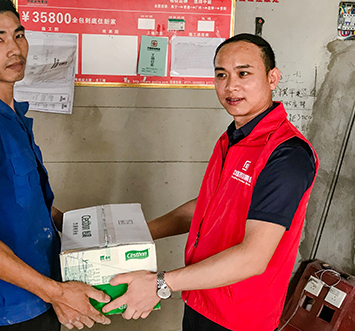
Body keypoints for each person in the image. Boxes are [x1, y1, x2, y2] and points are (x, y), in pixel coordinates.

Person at [101, 33, 318, 331]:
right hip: (201, 297)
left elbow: (253, 258)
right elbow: (207, 208)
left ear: (272, 78)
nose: (231, 86)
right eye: (221, 75)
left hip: (239, 316)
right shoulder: (233, 139)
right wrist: (136, 235)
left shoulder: (287, 154)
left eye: (243, 73)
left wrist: (161, 283)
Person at [0, 0, 110, 331]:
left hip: (37, 292)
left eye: (19, 35)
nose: (15, 49)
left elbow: (20, 202)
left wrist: (80, 227)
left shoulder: (8, 117)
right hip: (10, 306)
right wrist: (57, 293)